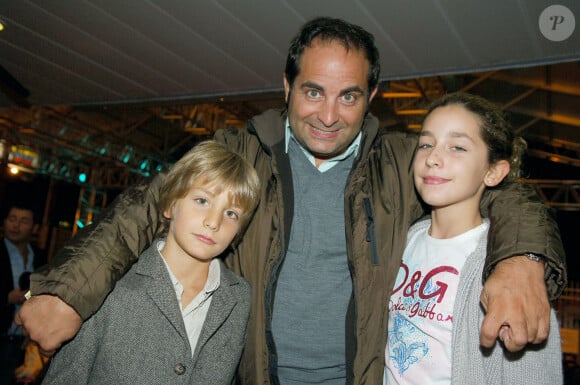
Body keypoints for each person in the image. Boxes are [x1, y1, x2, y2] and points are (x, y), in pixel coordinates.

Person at [17, 17, 566, 385]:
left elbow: (504, 191)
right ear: (286, 85)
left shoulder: (403, 162)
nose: (329, 115)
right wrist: (68, 293)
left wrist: (521, 261)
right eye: (313, 91)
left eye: (349, 96)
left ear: (372, 96)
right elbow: (143, 205)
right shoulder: (237, 152)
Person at [41, 140, 260, 385]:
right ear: (169, 205)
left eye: (231, 213)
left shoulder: (238, 296)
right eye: (202, 201)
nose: (213, 222)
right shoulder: (111, 283)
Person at [384, 93, 563, 384]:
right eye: (426, 144)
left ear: (493, 172)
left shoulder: (505, 267)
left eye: (457, 147)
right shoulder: (406, 238)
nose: (433, 158)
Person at [0, 202, 46, 385]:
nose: (16, 225)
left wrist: (26, 297)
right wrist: (7, 298)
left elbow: (34, 293)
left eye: (23, 221)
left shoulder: (40, 256)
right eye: (12, 219)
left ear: (35, 227)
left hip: (24, 343)